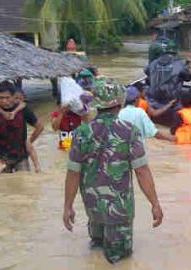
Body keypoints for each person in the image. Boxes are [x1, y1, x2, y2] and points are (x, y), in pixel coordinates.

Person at [63, 79, 164, 264]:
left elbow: (73, 173)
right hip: (119, 210)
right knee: (120, 261)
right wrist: (155, 203)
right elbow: (141, 171)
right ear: (119, 103)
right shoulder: (128, 131)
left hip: (93, 208)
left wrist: (67, 206)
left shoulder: (81, 132)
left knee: (97, 253)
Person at [0, 86, 44, 173]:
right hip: (1, 158)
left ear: (13, 97)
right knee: (3, 185)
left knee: (25, 183)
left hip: (21, 156)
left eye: (7, 98)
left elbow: (40, 127)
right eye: (1, 98)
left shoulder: (23, 110)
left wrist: (29, 141)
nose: (4, 101)